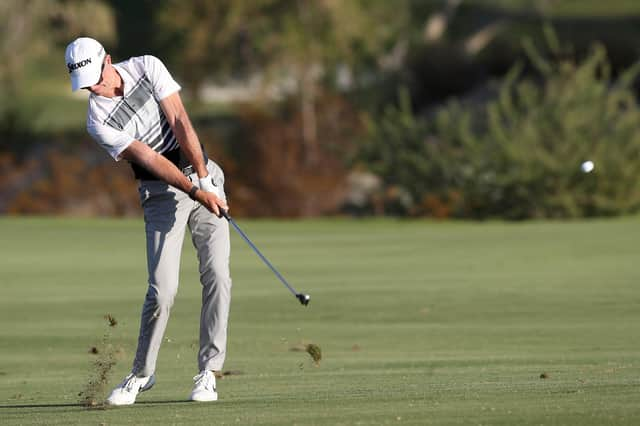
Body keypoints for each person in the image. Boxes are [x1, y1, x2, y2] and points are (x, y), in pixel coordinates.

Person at [64, 37, 232, 405]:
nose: (96, 87)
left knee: (217, 274)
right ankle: (142, 374)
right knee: (162, 290)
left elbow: (179, 119)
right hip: (160, 192)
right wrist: (194, 189)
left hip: (204, 175)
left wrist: (205, 179)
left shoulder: (147, 66)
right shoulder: (98, 120)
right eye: (88, 84)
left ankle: (208, 372)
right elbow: (150, 159)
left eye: (98, 77)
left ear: (109, 60)